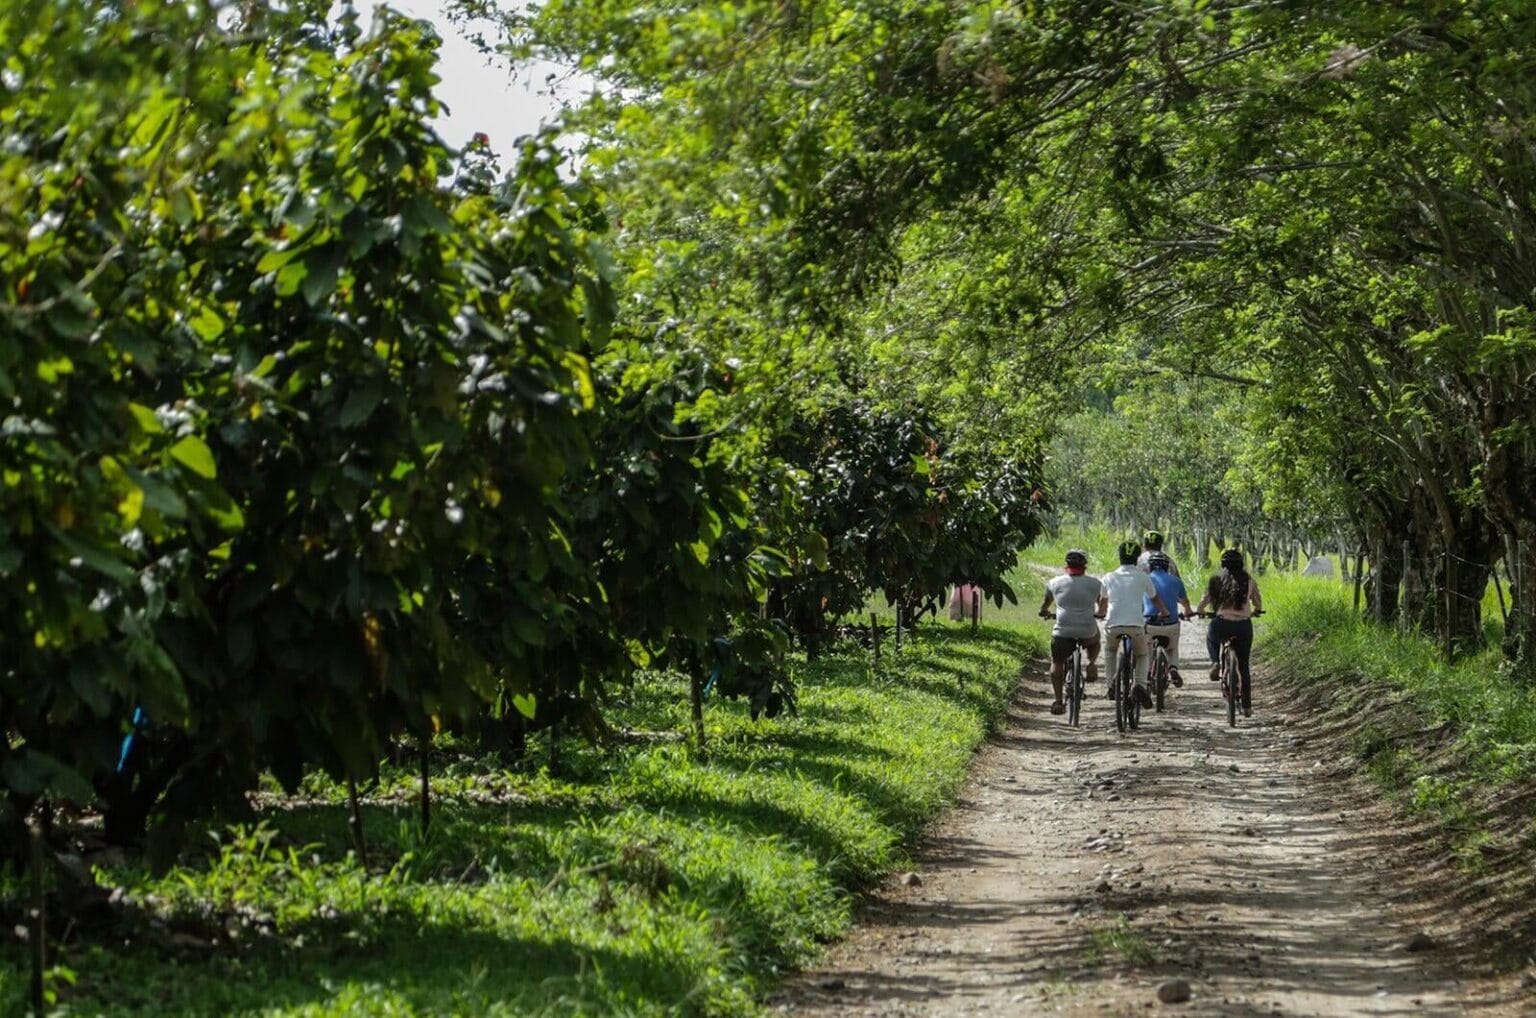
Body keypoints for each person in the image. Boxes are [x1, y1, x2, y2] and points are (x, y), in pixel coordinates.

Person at [1098, 540, 1170, 709]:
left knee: (1110, 650)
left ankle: (1110, 685)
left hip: (1113, 625)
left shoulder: (1109, 577)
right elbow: (1155, 599)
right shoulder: (1143, 577)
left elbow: (1103, 602)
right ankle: (1140, 684)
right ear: (1137, 558)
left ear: (1120, 557)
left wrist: (1101, 614)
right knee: (1143, 655)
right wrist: (1164, 612)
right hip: (1136, 626)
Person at [1195, 548, 1264, 717]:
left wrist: (1200, 611)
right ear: (1241, 563)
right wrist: (1256, 610)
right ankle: (1247, 706)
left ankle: (1215, 662)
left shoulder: (1216, 579)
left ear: (1222, 564)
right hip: (1243, 626)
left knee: (1211, 638)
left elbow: (1204, 602)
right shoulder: (1249, 580)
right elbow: (1258, 602)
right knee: (1244, 665)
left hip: (1221, 624)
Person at [1038, 549, 1103, 715]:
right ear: (1084, 566)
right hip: (1087, 630)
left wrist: (1044, 611)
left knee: (1057, 661)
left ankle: (1058, 701)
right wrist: (1100, 613)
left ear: (1066, 565)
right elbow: (1101, 603)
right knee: (1096, 638)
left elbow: (1046, 603)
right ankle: (1091, 664)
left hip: (1063, 631)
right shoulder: (1095, 584)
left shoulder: (1054, 583)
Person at [1143, 551, 1191, 689]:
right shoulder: (1176, 581)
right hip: (1171, 623)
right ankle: (1173, 668)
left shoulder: (1145, 580)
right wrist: (1187, 612)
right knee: (1172, 648)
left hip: (1150, 623)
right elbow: (1185, 601)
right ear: (1166, 566)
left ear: (1150, 567)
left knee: (1146, 649)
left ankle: (1147, 671)